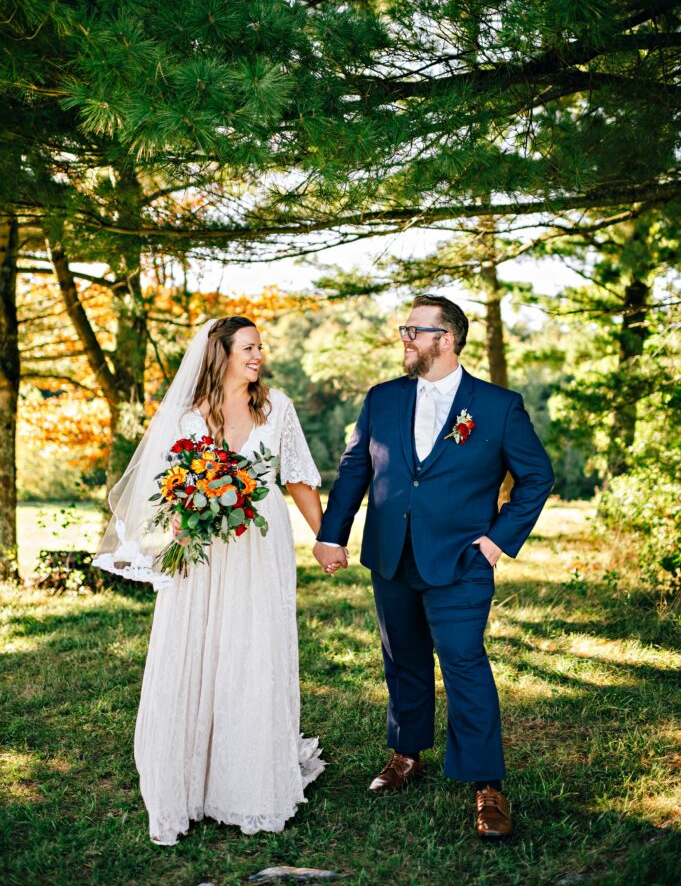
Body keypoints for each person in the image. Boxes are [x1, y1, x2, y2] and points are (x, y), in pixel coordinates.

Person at [314, 293, 554, 840]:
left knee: (465, 662)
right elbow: (355, 471)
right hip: (391, 554)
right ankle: (405, 754)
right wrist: (333, 535)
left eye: (414, 331)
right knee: (403, 658)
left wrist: (496, 542)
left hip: (464, 559)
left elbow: (536, 478)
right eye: (405, 330)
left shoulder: (497, 406)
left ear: (446, 339)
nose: (405, 339)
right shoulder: (382, 399)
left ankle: (487, 785)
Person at [93, 316, 325, 845]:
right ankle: (190, 780)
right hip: (201, 552)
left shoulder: (277, 406)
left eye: (261, 347)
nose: (258, 355)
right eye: (248, 347)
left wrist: (326, 536)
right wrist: (178, 514)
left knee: (253, 649)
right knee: (196, 648)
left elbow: (296, 476)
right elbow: (162, 489)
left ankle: (249, 780)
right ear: (219, 354)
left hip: (259, 549)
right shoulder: (185, 416)